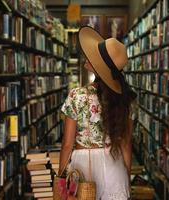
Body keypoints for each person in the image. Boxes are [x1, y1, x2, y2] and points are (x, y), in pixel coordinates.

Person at [58, 26, 137, 200]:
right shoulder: (125, 100)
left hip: (82, 169)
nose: (88, 55)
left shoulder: (77, 96)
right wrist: (126, 178)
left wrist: (61, 180)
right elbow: (126, 144)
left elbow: (67, 144)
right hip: (114, 168)